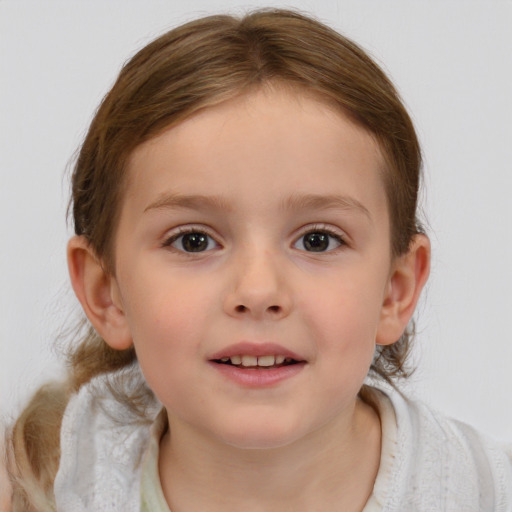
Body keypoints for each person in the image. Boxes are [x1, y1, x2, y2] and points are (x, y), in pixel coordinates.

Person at [3, 8, 511, 512]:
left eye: (317, 240)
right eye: (193, 241)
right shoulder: (33, 491)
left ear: (395, 290)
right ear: (105, 293)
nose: (258, 292)